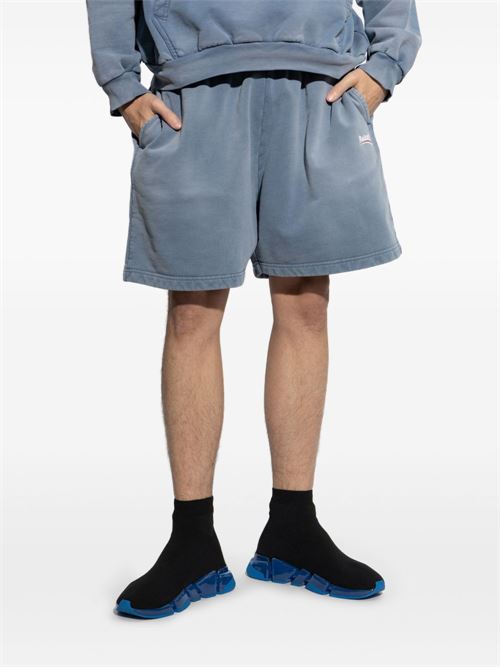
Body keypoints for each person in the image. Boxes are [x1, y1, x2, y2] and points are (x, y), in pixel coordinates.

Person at [86, 0, 421, 619]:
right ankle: (192, 539)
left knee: (305, 306)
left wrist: (385, 66)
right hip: (193, 95)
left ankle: (293, 526)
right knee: (192, 313)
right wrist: (121, 85)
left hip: (319, 91)